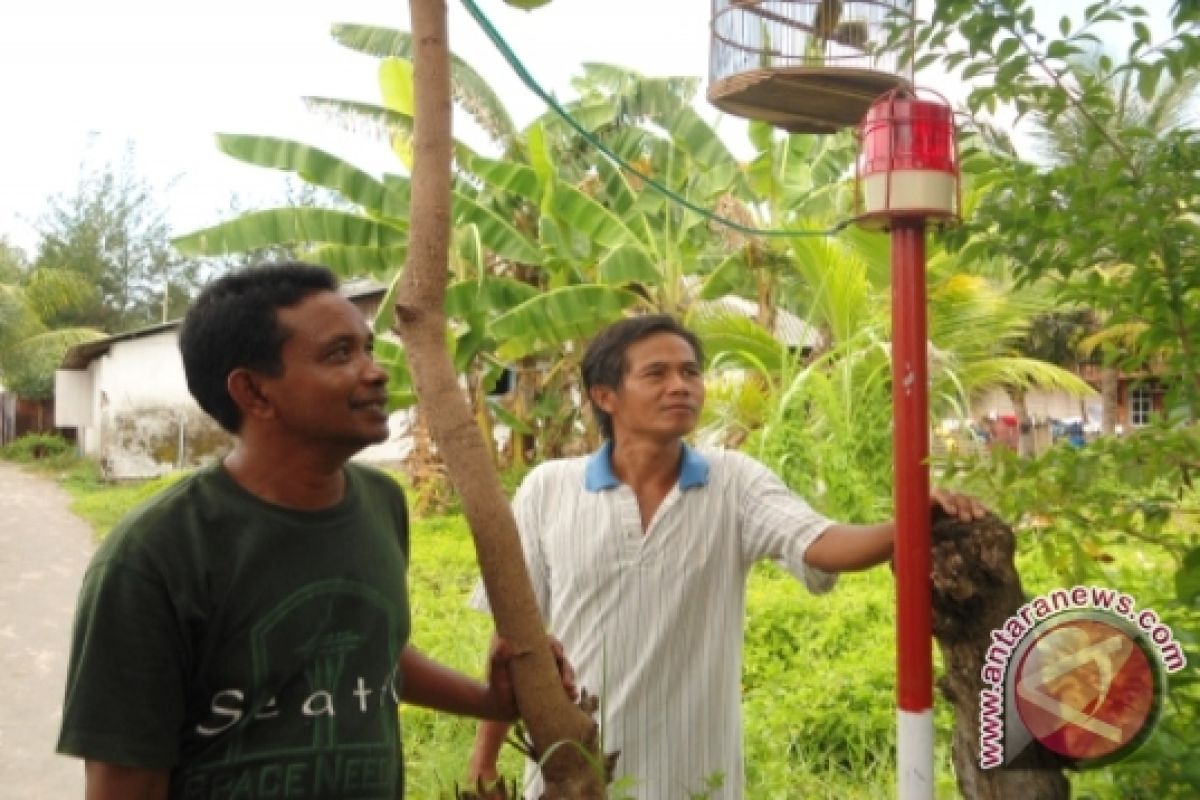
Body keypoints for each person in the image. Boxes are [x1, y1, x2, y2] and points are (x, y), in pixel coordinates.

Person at [56, 262, 566, 800]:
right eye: (340, 354)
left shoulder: (381, 503)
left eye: (367, 348)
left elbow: (372, 651)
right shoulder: (156, 554)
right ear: (253, 392)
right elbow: (125, 783)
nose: (375, 371)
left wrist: (489, 700)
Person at [466, 314, 986, 799]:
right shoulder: (548, 489)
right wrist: (483, 761)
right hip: (571, 778)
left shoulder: (733, 481)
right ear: (606, 395)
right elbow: (515, 638)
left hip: (697, 777)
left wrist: (911, 519)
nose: (681, 385)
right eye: (657, 373)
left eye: (690, 371)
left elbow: (821, 542)